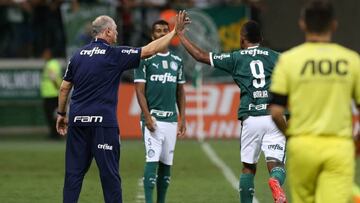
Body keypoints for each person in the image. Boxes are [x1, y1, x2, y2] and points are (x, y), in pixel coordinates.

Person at [56, 13, 187, 203]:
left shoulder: (77, 55)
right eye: (115, 30)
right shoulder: (114, 54)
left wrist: (61, 114)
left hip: (77, 123)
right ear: (107, 31)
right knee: (109, 177)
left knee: (73, 176)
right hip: (103, 125)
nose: (116, 33)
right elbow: (149, 50)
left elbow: (64, 88)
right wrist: (175, 32)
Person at [176, 16, 287, 203]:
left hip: (251, 118)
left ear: (243, 39)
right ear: (260, 38)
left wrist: (180, 34)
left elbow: (201, 56)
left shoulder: (235, 57)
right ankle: (275, 182)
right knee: (276, 164)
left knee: (248, 168)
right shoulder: (277, 56)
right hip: (273, 116)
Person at [269, 1, 360, 203]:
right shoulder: (351, 60)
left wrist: (291, 137)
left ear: (302, 24)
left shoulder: (289, 60)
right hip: (339, 147)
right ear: (334, 25)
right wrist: (357, 143)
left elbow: (275, 112)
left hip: (302, 146)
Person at [134, 19, 186, 203]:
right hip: (153, 119)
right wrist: (147, 117)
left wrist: (183, 118)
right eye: (158, 31)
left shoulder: (177, 61)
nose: (162, 33)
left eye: (166, 30)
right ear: (152, 35)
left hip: (171, 119)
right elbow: (139, 91)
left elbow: (180, 91)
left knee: (166, 165)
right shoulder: (144, 59)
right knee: (152, 160)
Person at [40, 48, 62, 140]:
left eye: (45, 54)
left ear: (49, 54)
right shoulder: (52, 64)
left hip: (52, 95)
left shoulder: (51, 64)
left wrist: (60, 90)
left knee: (52, 115)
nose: (43, 56)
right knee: (53, 115)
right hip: (50, 94)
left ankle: (55, 134)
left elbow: (53, 78)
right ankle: (55, 133)